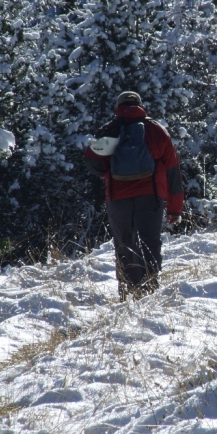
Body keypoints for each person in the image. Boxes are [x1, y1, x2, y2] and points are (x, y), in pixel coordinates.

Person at [84, 91, 184, 300]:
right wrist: (175, 208)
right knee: (150, 241)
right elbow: (173, 170)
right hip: (151, 195)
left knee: (124, 243)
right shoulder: (156, 130)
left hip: (118, 197)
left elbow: (92, 158)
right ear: (140, 105)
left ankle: (129, 293)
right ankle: (150, 290)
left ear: (118, 107)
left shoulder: (110, 130)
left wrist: (108, 171)